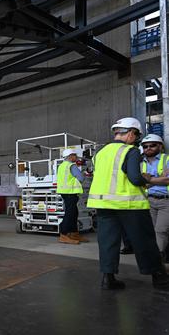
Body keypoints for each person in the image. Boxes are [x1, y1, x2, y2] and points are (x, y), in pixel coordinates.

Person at [87, 117, 169, 291]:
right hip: (129, 205)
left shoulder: (100, 152)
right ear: (131, 133)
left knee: (108, 242)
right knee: (145, 241)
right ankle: (160, 279)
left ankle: (108, 279)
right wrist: (147, 178)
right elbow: (134, 178)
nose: (137, 140)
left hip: (103, 204)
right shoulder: (130, 151)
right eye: (137, 136)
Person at [140, 133, 169, 262]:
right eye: (145, 146)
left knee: (161, 230)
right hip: (149, 200)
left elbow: (167, 181)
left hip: (166, 200)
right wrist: (159, 178)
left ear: (160, 146)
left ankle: (159, 258)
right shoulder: (141, 163)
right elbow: (140, 182)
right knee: (151, 230)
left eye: (152, 145)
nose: (148, 148)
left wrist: (149, 179)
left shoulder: (166, 159)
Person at [56, 148, 88, 244]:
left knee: (73, 213)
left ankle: (73, 233)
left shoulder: (61, 166)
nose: (76, 156)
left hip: (64, 192)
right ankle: (64, 234)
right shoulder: (72, 166)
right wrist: (86, 174)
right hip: (70, 193)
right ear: (70, 156)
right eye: (74, 155)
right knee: (70, 214)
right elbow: (81, 178)